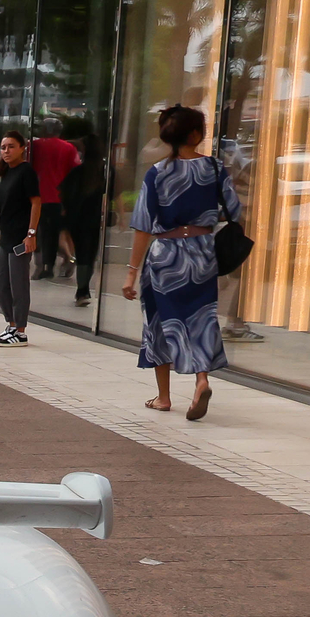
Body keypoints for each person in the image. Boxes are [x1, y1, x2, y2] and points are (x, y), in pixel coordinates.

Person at [122, 103, 240, 421]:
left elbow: (144, 226)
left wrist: (131, 274)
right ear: (195, 134)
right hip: (202, 251)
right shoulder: (214, 168)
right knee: (201, 318)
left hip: (166, 255)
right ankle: (201, 380)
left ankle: (164, 397)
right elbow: (234, 209)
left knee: (160, 321)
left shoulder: (157, 173)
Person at [0, 131, 38, 344]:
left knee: (18, 285)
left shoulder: (26, 171)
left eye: (11, 146)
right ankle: (10, 324)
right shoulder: (6, 172)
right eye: (3, 147)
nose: (6, 151)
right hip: (7, 237)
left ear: (22, 148)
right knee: (0, 283)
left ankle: (20, 330)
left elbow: (36, 202)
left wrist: (31, 233)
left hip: (20, 237)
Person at [59, 131, 107, 305]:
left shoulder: (78, 172)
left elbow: (65, 194)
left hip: (78, 218)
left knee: (82, 253)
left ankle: (82, 290)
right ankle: (83, 289)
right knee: (90, 254)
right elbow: (112, 196)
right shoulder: (104, 172)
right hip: (94, 218)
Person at [29, 120, 78, 278]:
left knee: (38, 232)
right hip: (60, 197)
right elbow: (74, 173)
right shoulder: (69, 148)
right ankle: (53, 263)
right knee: (54, 233)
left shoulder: (35, 146)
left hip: (38, 195)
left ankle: (43, 266)